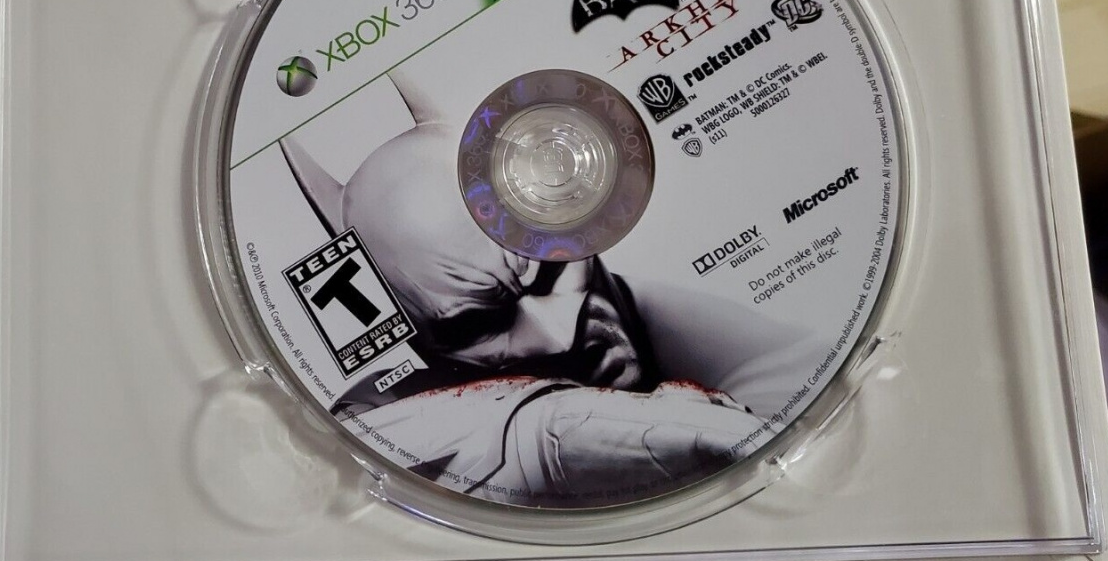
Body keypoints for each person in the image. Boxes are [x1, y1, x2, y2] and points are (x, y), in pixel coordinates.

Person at [280, 75, 821, 506]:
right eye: (475, 326)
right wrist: (542, 432)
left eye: (547, 271)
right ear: (412, 333)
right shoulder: (381, 412)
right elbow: (360, 446)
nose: (557, 335)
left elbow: (806, 392)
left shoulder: (672, 316)